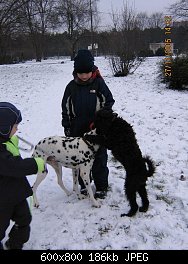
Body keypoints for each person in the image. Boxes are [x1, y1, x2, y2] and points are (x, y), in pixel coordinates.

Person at [61, 49, 115, 199]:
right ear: (75, 72)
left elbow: (108, 101)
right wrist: (67, 125)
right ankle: (84, 185)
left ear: (92, 70)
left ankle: (102, 186)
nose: (84, 76)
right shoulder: (71, 87)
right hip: (77, 128)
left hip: (97, 129)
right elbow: (65, 107)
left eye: (87, 72)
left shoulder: (99, 84)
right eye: (80, 73)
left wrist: (103, 118)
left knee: (99, 158)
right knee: (80, 159)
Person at [0, 102, 45, 250]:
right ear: (4, 129)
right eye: (15, 126)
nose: (17, 129)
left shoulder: (5, 141)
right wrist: (36, 164)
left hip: (16, 193)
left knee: (25, 218)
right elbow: (14, 166)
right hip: (2, 200)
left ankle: (15, 243)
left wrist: (10, 141)